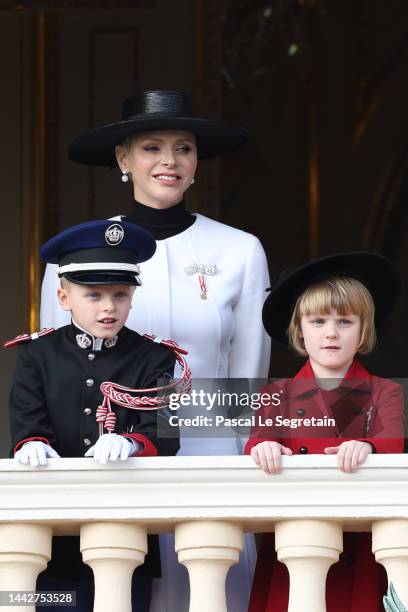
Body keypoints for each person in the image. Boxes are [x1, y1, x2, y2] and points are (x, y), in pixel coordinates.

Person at [40, 90, 271, 611]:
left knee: (211, 593)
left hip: (212, 455)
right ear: (123, 159)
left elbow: (248, 379)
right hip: (111, 454)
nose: (169, 161)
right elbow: (58, 372)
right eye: (151, 147)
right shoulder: (73, 256)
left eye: (183, 148)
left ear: (196, 163)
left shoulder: (238, 250)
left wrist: (238, 464)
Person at [6, 219, 180, 612]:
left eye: (120, 294)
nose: (108, 307)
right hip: (49, 537)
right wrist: (31, 442)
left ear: (132, 298)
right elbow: (27, 420)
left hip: (126, 531)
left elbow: (166, 435)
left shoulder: (155, 358)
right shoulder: (36, 354)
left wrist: (133, 442)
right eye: (93, 295)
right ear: (64, 298)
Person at [245, 252, 405, 612]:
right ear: (300, 329)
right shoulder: (276, 394)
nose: (331, 332)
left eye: (345, 321)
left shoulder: (385, 392)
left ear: (364, 329)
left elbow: (392, 440)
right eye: (318, 321)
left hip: (360, 548)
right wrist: (264, 446)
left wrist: (367, 446)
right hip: (294, 540)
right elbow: (258, 439)